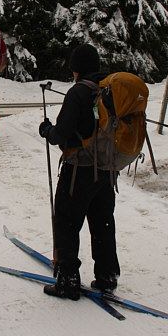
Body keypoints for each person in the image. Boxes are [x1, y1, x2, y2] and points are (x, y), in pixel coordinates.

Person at [38, 43, 119, 300]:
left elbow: (61, 134)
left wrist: (46, 130)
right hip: (106, 170)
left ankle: (68, 279)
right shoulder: (109, 90)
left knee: (66, 221)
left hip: (79, 171)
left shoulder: (78, 93)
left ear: (77, 69)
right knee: (102, 223)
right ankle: (107, 276)